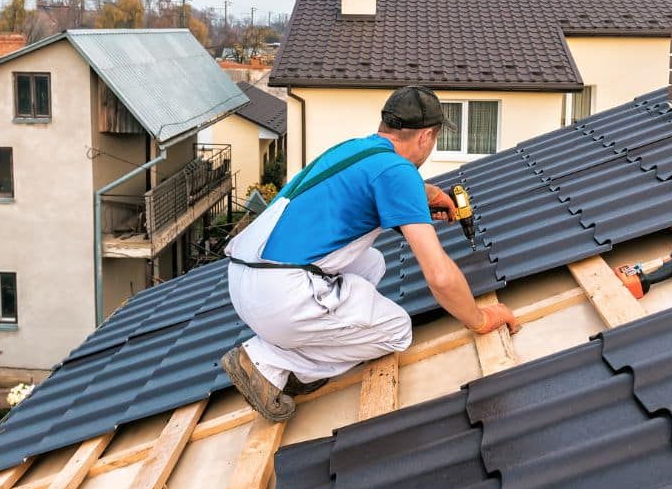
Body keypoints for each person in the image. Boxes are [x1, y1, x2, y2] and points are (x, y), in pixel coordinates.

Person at [222, 85, 519, 421]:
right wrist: (481, 319)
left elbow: (376, 185)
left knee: (373, 261)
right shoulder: (398, 172)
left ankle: (303, 338)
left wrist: (429, 193)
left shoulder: (355, 150)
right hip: (279, 298)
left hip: (246, 276)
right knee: (396, 330)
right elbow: (438, 275)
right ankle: (269, 362)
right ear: (426, 136)